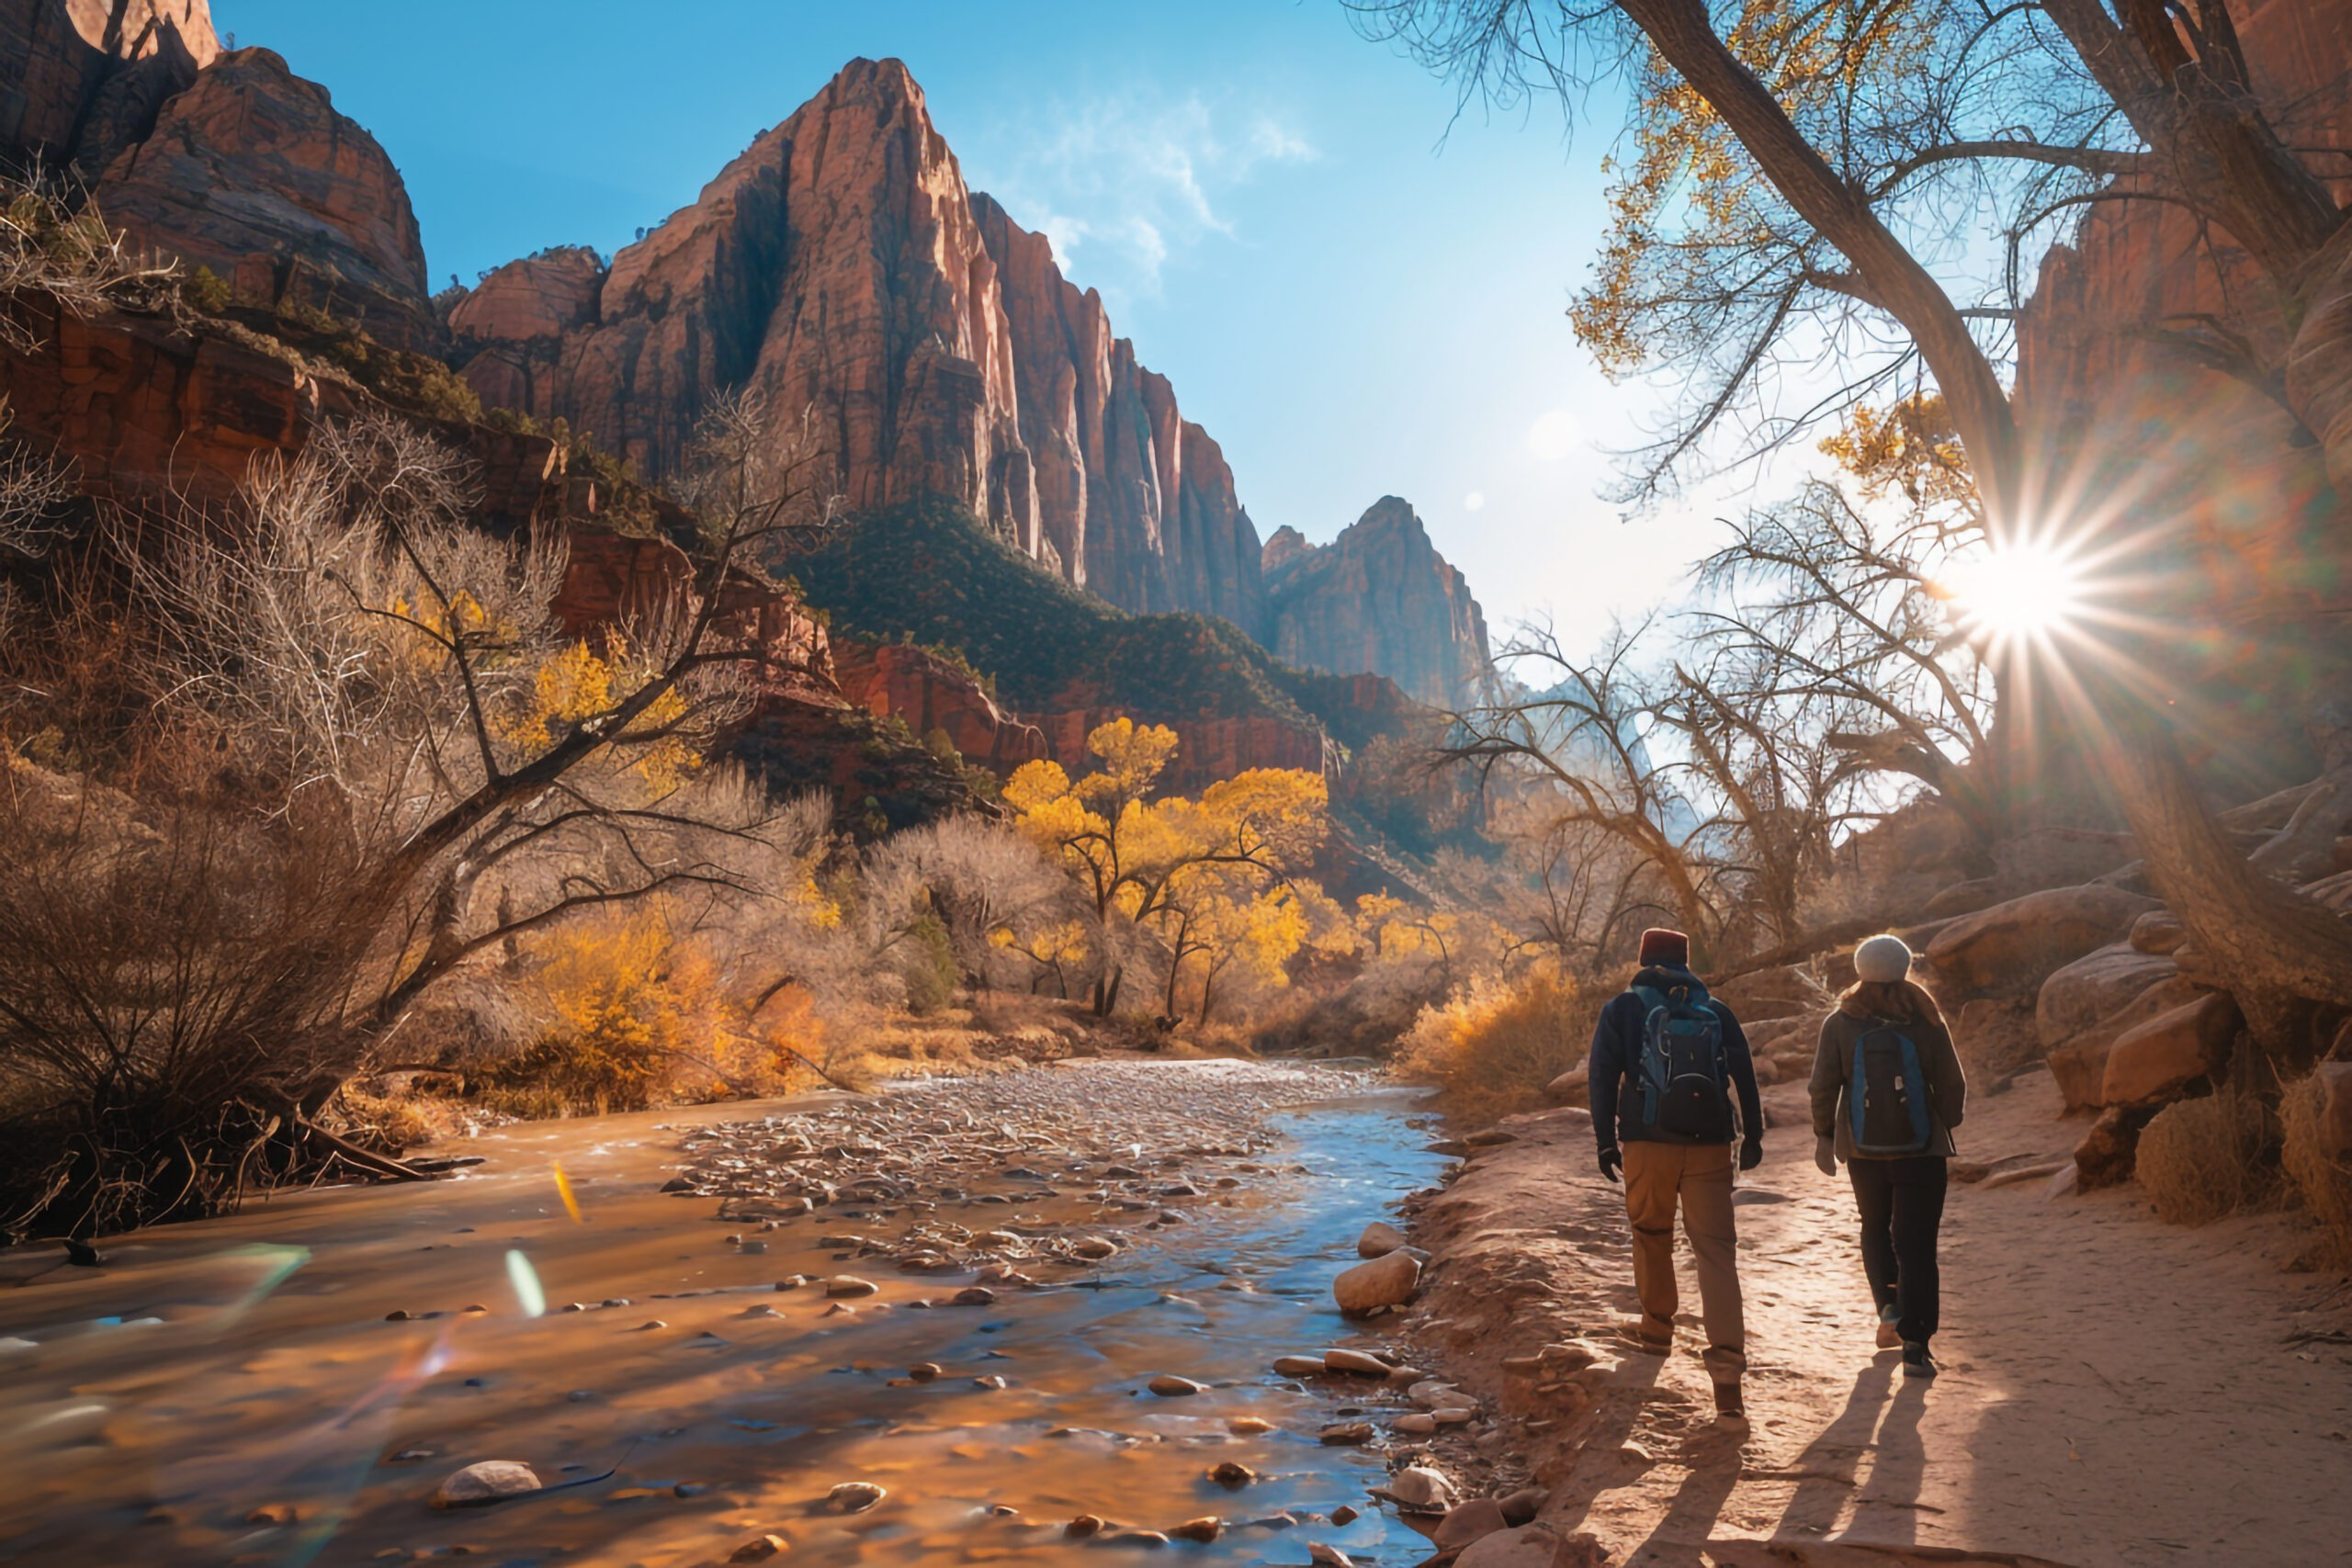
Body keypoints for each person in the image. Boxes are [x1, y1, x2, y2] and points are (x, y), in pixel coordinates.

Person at [1589, 926, 1764, 1418]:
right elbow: (1744, 1075)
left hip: (1647, 1142)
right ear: (1687, 960)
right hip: (1710, 1144)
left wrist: (1606, 1140)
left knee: (1650, 1233)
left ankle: (1656, 1331)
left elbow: (1602, 1078)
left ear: (1643, 959)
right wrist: (1753, 1135)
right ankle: (1728, 1377)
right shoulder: (1717, 1010)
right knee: (1716, 1254)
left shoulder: (1622, 1010)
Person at [1808, 933, 1967, 1381]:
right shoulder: (1925, 1016)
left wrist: (1825, 1136)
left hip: (1862, 1149)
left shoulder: (1840, 1021)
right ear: (1904, 966)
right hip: (1922, 1148)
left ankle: (1889, 1308)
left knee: (1875, 1226)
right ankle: (1916, 1345)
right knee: (1917, 1243)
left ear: (1859, 969)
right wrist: (1943, 1123)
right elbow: (1952, 1083)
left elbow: (1822, 1086)